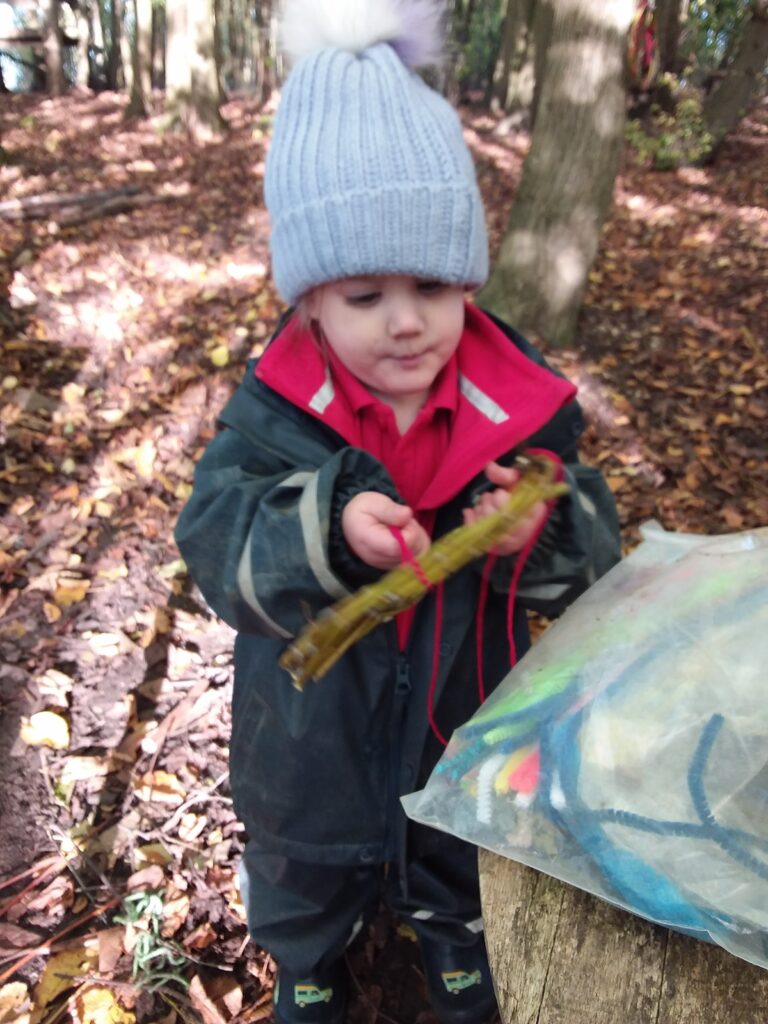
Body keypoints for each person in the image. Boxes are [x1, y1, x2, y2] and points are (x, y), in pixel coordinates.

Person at [175, 2, 621, 1022]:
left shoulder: (522, 412)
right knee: (304, 862)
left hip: (467, 719)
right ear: (308, 301)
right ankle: (309, 964)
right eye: (363, 294)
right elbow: (214, 544)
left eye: (432, 282)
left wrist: (538, 532)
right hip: (309, 740)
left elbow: (596, 562)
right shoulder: (277, 417)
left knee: (458, 853)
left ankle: (456, 953)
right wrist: (327, 531)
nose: (408, 319)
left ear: (467, 273)